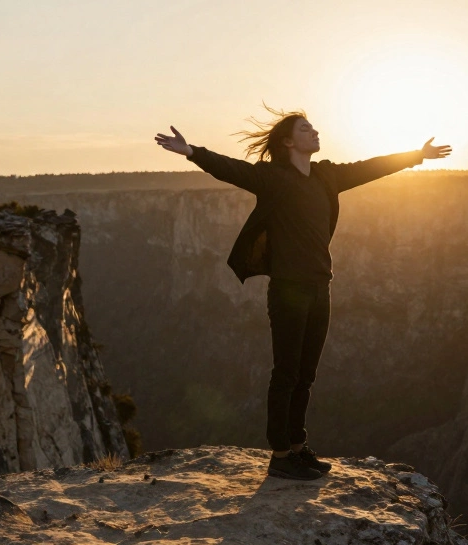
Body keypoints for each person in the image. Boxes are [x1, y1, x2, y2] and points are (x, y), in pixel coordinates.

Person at [154, 110, 451, 479]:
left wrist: (416, 156)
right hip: (288, 290)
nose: (314, 131)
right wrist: (192, 151)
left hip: (319, 288)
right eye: (305, 128)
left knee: (306, 375)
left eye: (313, 127)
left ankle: (298, 446)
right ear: (288, 142)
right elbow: (231, 169)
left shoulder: (327, 175)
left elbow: (370, 167)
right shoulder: (273, 178)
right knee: (286, 374)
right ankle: (280, 456)